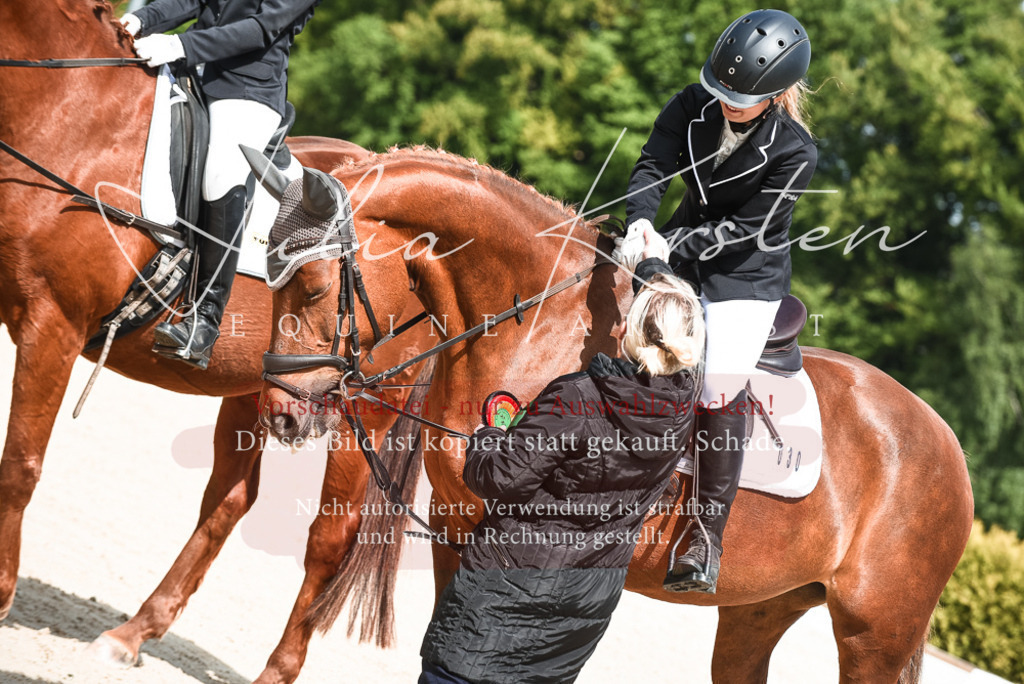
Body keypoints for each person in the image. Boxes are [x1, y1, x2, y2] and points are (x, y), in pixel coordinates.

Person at [419, 269, 704, 684]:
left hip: (502, 596)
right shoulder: (682, 415)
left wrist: (488, 436)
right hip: (584, 610)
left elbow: (497, 479)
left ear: (629, 329)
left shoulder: (578, 395)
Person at [616, 8, 818, 594]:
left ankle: (706, 533)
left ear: (776, 94)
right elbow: (653, 166)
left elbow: (741, 233)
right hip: (674, 248)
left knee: (716, 384)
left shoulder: (796, 153)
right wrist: (639, 228)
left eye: (742, 97)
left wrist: (665, 249)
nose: (728, 102)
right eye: (721, 91)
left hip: (744, 279)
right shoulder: (691, 105)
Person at [120, 0, 320, 369]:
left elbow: (261, 28)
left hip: (245, 89)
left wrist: (180, 45)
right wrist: (138, 19)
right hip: (185, 69)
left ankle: (204, 318)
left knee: (222, 175)